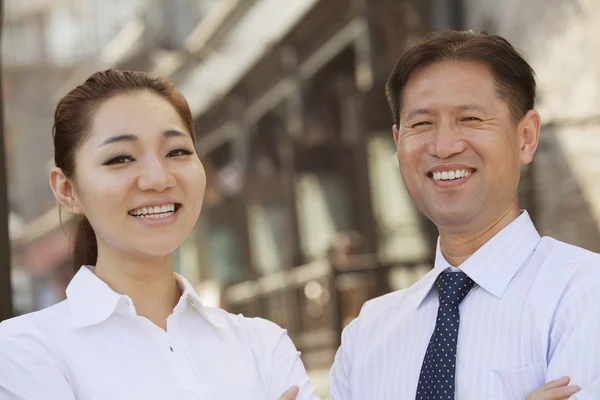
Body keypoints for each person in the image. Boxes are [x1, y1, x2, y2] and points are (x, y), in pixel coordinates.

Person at [0, 70, 317, 400]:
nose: (157, 178)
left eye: (177, 152)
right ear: (67, 190)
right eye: (120, 158)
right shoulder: (23, 350)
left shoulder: (263, 346)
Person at [328, 30, 600, 399]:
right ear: (398, 143)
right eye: (422, 124)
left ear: (526, 137)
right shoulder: (367, 336)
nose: (443, 147)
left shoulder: (585, 296)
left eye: (470, 119)